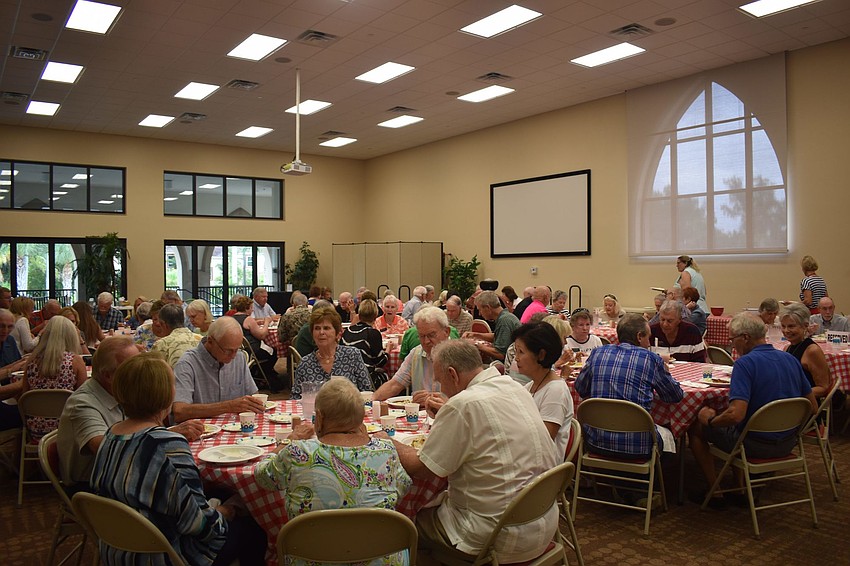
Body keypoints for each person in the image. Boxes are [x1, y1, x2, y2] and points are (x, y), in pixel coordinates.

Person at [90, 353, 266, 566]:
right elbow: (200, 526)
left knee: (219, 494)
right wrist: (229, 510)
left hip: (117, 549)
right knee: (255, 524)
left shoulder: (111, 435)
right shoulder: (166, 446)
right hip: (164, 555)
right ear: (165, 395)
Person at [393, 340, 559, 563]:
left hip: (495, 537)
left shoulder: (462, 405)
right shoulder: (513, 387)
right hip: (542, 521)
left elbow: (422, 469)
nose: (440, 389)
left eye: (440, 381)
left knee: (407, 522)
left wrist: (388, 441)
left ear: (453, 374)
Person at [255, 377, 411, 565]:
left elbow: (262, 476)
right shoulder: (386, 450)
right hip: (379, 558)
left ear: (319, 418)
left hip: (311, 558)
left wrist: (287, 441)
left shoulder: (297, 452)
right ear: (361, 418)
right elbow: (404, 487)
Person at [687, 313, 816, 508]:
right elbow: (812, 407)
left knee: (696, 426)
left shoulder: (745, 364)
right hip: (788, 442)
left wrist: (711, 420)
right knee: (739, 426)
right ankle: (739, 487)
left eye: (732, 339)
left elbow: (736, 414)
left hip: (753, 445)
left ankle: (716, 491)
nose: (732, 345)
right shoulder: (790, 359)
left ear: (745, 337)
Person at [58, 336, 203, 487]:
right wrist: (169, 436)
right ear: (108, 375)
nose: (140, 372)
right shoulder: (81, 403)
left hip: (123, 477)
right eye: (132, 368)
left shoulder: (121, 394)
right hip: (95, 488)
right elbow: (104, 449)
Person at [576, 313, 684, 459]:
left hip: (595, 441)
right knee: (668, 433)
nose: (649, 343)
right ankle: (661, 477)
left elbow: (581, 388)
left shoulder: (597, 353)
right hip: (638, 446)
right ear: (639, 336)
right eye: (648, 338)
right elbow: (674, 396)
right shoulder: (651, 359)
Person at [172, 317, 263, 422]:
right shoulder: (187, 364)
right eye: (228, 351)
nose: (233, 356)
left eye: (237, 349)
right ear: (210, 341)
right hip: (201, 432)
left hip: (235, 430)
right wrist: (229, 406)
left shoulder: (239, 357)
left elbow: (253, 395)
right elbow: (179, 411)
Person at [373, 307, 451, 414]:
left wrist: (447, 404)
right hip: (419, 418)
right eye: (421, 336)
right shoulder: (416, 353)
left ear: (446, 331)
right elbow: (395, 384)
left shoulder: (460, 355)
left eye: (431, 335)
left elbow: (471, 396)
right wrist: (371, 401)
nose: (426, 341)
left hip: (450, 416)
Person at [512, 323, 573, 459]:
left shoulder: (556, 391)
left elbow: (542, 441)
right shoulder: (531, 386)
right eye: (516, 351)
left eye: (521, 352)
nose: (516, 358)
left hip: (542, 467)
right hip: (526, 458)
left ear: (541, 355)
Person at [21, 316, 87, 440]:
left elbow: (25, 394)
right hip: (67, 429)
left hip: (35, 429)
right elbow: (82, 397)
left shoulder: (31, 361)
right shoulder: (75, 361)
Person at [291, 306, 371, 399]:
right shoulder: (305, 364)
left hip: (349, 411)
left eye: (326, 328)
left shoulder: (352, 356)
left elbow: (366, 391)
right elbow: (295, 398)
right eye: (317, 328)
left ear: (337, 333)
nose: (321, 332)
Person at [780, 303, 831, 397]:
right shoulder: (787, 348)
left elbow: (823, 388)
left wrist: (795, 394)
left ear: (805, 326)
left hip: (805, 404)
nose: (786, 331)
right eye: (783, 326)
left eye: (791, 326)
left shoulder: (812, 351)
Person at [230, 294, 279, 388]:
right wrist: (266, 322)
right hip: (252, 350)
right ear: (247, 308)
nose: (252, 310)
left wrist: (256, 322)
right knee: (274, 352)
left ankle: (255, 373)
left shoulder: (232, 318)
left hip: (240, 350)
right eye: (251, 307)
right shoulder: (248, 319)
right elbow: (261, 335)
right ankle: (263, 374)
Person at [341, 299, 388, 389]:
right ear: (375, 315)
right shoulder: (372, 333)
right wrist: (388, 350)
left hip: (346, 377)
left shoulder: (348, 331)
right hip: (365, 379)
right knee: (385, 376)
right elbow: (380, 362)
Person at [460, 290, 520, 362]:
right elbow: (498, 336)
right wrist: (475, 335)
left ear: (488, 308)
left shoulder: (504, 321)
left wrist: (475, 344)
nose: (479, 314)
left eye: (480, 310)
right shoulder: (506, 316)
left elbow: (500, 354)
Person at [0, 309, 27, 430]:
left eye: (10, 326)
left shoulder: (9, 340)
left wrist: (23, 362)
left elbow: (16, 367)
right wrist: (24, 383)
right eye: (1, 326)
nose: (5, 331)